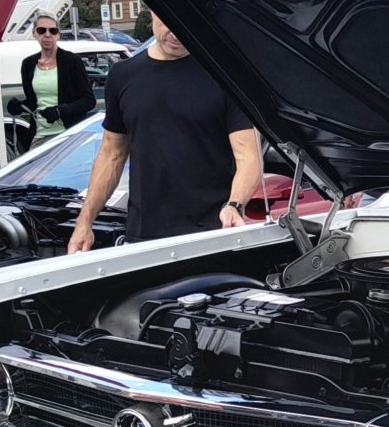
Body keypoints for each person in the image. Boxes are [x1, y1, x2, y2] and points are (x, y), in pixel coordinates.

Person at [67, 13, 261, 251]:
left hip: (212, 232)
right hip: (143, 235)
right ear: (152, 12)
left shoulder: (225, 76)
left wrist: (234, 205)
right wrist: (85, 221)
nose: (176, 33)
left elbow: (249, 156)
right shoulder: (123, 75)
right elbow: (111, 155)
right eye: (168, 21)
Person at [8, 13, 97, 145]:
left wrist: (60, 111)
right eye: (41, 30)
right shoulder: (28, 64)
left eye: (53, 31)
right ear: (34, 33)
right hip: (40, 134)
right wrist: (20, 106)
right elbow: (36, 102)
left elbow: (89, 101)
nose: (47, 35)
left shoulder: (72, 61)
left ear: (58, 34)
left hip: (69, 134)